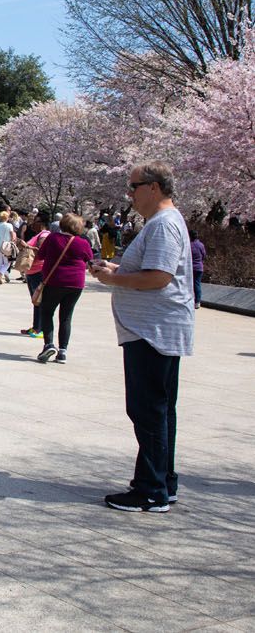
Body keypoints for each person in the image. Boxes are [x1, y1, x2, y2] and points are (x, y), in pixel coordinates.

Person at [89, 161, 195, 513]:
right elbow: (152, 271)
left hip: (153, 332)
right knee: (160, 410)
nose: (129, 194)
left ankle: (151, 490)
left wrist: (114, 280)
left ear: (154, 188)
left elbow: (159, 277)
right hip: (156, 329)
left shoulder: (164, 224)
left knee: (147, 409)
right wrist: (117, 269)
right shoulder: (163, 222)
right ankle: (162, 480)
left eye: (134, 187)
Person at [33, 213, 94, 363]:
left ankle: (48, 345)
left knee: (47, 313)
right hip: (76, 283)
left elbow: (40, 256)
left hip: (54, 281)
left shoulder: (53, 238)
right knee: (66, 317)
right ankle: (62, 352)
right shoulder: (83, 242)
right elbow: (89, 259)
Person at [20, 211, 52, 338]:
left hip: (39, 271)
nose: (32, 224)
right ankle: (35, 326)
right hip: (32, 271)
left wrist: (26, 245)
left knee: (39, 300)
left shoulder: (44, 235)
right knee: (35, 300)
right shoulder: (38, 234)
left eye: (36, 221)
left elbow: (40, 253)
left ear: (42, 223)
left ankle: (40, 328)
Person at [0, 208, 15, 284]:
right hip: (6, 246)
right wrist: (12, 243)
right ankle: (1, 274)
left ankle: (1, 276)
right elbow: (12, 236)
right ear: (7, 218)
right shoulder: (9, 225)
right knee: (7, 262)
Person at [189, 230, 206, 308]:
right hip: (199, 267)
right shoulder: (201, 245)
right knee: (197, 284)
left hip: (191, 267)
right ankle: (197, 301)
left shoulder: (189, 245)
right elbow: (204, 255)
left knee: (190, 285)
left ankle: (191, 300)